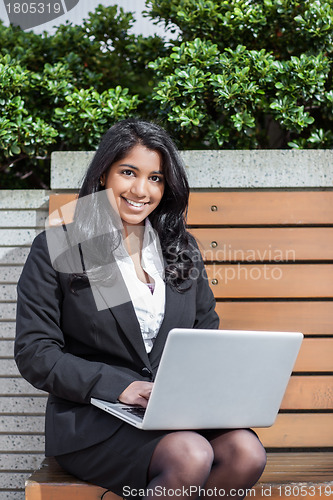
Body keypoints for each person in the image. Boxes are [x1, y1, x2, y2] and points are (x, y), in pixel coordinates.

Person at [15, 119, 266, 500]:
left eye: (156, 178)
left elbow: (204, 332)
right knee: (191, 454)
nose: (141, 190)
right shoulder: (62, 246)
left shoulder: (180, 248)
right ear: (103, 175)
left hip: (173, 413)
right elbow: (36, 352)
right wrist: (123, 388)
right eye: (128, 173)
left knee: (246, 453)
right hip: (97, 418)